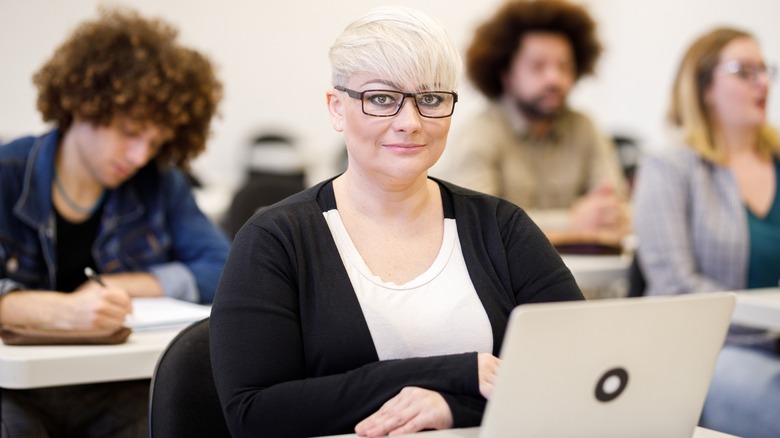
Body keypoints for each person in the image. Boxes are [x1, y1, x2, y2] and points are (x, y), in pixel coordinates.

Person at [210, 6, 583, 437]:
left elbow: (579, 373)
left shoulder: (502, 227)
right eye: (382, 98)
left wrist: (452, 408)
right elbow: (254, 414)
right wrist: (456, 373)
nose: (410, 122)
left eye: (431, 99)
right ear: (336, 108)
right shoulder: (275, 241)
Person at [0, 8, 229, 437]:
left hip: (117, 389)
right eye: (129, 131)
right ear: (84, 104)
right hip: (15, 394)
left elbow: (225, 270)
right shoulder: (7, 174)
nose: (140, 155)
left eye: (155, 142)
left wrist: (126, 285)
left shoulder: (160, 184)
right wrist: (53, 312)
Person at [633, 27, 780, 437]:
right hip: (705, 352)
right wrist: (768, 328)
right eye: (743, 71)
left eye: (765, 69)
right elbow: (676, 287)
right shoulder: (671, 167)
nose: (763, 82)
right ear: (703, 88)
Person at [434, 0, 629, 248]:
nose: (554, 78)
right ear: (505, 73)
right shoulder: (480, 134)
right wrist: (572, 222)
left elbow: (615, 213)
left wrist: (600, 219)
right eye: (538, 66)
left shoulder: (584, 128)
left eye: (564, 66)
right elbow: (482, 228)